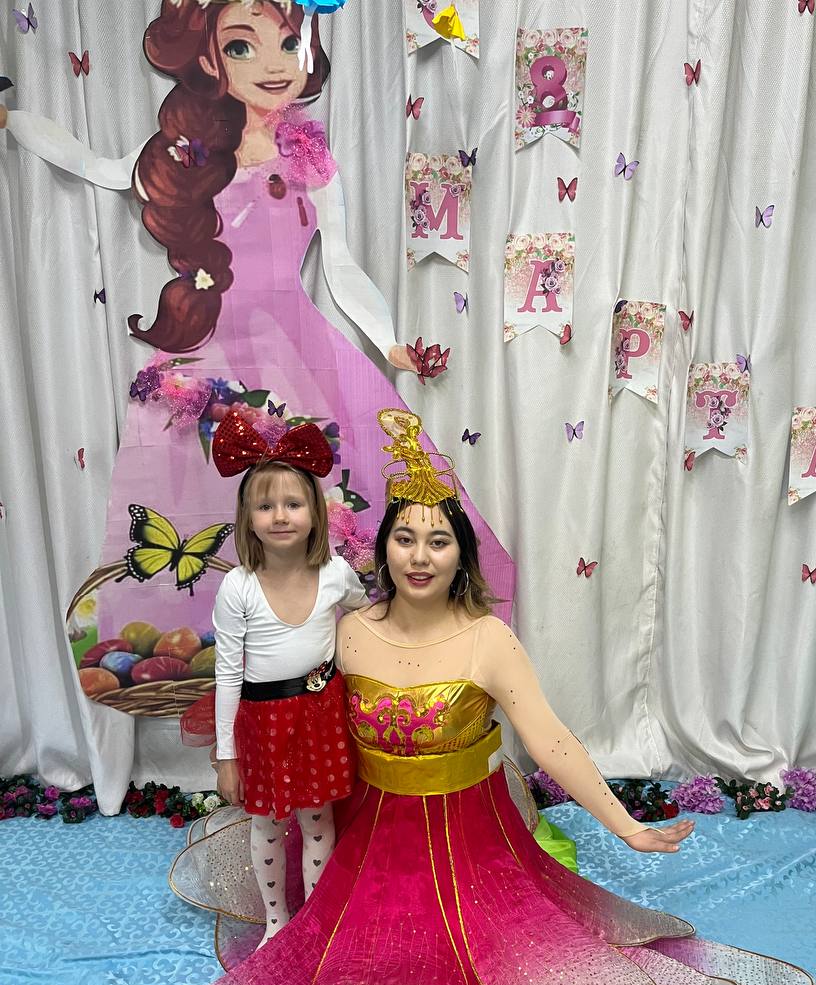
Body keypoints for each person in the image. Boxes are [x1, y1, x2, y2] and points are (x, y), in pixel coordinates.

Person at [120, 412, 815, 985]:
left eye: (439, 541)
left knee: (502, 972)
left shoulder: (489, 641)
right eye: (404, 538)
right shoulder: (349, 632)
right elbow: (278, 702)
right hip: (365, 842)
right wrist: (238, 759)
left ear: (462, 555)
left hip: (469, 847)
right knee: (348, 967)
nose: (419, 556)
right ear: (382, 548)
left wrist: (625, 825)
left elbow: (550, 740)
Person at [0, 0, 514, 716]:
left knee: (345, 502)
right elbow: (100, 168)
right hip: (207, 352)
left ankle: (362, 663)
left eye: (288, 43)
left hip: (299, 347)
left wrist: (388, 341)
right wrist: (14, 122)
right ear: (210, 60)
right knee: (212, 516)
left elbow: (341, 266)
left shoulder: (311, 159)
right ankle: (220, 676)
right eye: (243, 46)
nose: (273, 65)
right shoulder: (187, 153)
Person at [209, 406, 366, 946]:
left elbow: (367, 620)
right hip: (263, 722)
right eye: (265, 506)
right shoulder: (238, 586)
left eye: (293, 504)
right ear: (248, 517)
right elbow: (227, 674)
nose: (280, 516)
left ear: (316, 513)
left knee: (318, 819)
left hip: (321, 716)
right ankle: (277, 921)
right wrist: (227, 756)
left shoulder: (336, 573)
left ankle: (315, 920)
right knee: (269, 823)